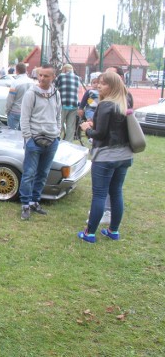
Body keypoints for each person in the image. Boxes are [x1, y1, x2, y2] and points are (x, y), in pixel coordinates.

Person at [78, 71, 133, 243]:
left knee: (100, 195)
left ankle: (90, 233)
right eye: (98, 83)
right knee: (116, 192)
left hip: (106, 156)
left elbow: (99, 134)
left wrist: (86, 128)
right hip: (124, 156)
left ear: (113, 86)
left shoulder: (105, 105)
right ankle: (113, 231)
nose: (99, 86)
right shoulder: (125, 102)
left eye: (103, 83)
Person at [19, 65, 62, 220]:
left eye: (46, 76)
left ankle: (34, 201)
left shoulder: (56, 94)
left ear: (53, 77)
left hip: (52, 139)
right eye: (40, 75)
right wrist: (28, 138)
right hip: (34, 139)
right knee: (29, 173)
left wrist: (57, 134)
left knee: (43, 174)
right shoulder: (31, 94)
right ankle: (25, 204)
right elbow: (24, 118)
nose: (42, 78)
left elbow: (58, 114)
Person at [54, 63, 81, 141]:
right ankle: (69, 142)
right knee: (70, 126)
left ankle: (56, 140)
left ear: (64, 70)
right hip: (74, 104)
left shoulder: (61, 76)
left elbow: (54, 88)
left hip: (63, 103)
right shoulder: (77, 78)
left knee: (59, 124)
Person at [5, 62, 35, 130]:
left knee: (12, 134)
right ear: (25, 70)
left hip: (15, 111)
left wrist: (7, 110)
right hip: (27, 112)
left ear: (17, 70)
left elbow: (10, 99)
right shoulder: (32, 82)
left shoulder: (15, 83)